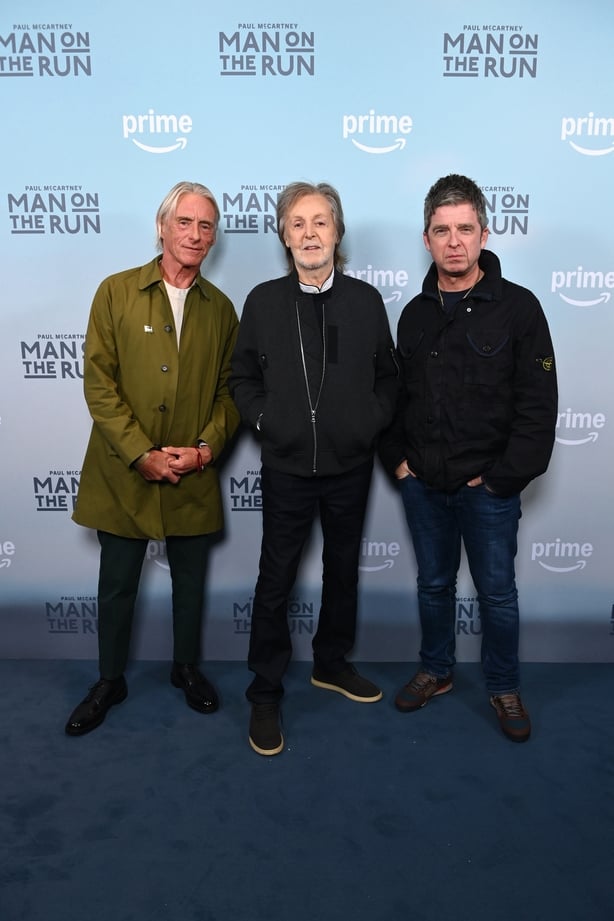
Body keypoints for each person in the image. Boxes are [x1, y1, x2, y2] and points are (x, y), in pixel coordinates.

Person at [379, 174, 557, 742]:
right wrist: (399, 464)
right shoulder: (412, 314)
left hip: (489, 491)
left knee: (497, 593)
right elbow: (391, 399)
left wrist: (501, 480)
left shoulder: (520, 310)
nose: (453, 241)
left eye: (464, 229)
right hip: (423, 484)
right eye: (441, 230)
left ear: (484, 233)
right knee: (433, 586)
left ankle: (503, 685)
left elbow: (538, 408)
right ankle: (436, 670)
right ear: (426, 239)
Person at [229, 181, 399, 756]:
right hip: (286, 466)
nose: (309, 233)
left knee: (343, 570)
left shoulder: (366, 302)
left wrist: (367, 422)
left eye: (320, 222)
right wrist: (266, 420)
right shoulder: (262, 301)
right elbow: (242, 377)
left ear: (337, 232)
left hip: (350, 465)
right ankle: (265, 688)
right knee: (275, 579)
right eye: (297, 223)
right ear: (283, 235)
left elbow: (388, 378)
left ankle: (331, 663)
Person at [65, 181, 240, 736]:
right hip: (123, 472)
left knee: (191, 583)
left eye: (205, 225)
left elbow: (231, 393)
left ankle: (185, 669)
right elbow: (99, 384)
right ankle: (109, 680)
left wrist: (205, 449)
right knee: (116, 584)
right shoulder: (114, 292)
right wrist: (141, 452)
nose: (194, 234)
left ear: (214, 238)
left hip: (193, 471)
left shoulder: (222, 309)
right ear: (162, 227)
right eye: (184, 222)